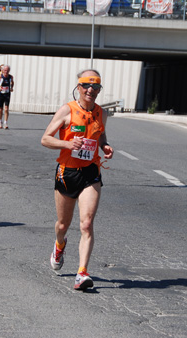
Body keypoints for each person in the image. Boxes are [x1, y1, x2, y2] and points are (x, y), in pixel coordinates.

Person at [40, 69, 114, 290]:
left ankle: (82, 273)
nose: (91, 90)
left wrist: (104, 146)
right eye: (86, 86)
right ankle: (59, 244)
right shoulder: (67, 110)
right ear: (79, 87)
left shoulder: (102, 113)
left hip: (91, 171)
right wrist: (67, 144)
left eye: (96, 87)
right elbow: (45, 139)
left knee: (87, 224)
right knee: (63, 224)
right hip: (67, 172)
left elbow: (100, 133)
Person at [0, 65, 14, 129]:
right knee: (0, 108)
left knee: (6, 108)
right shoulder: (0, 76)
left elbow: (12, 82)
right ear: (2, 70)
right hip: (1, 94)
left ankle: (5, 122)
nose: (6, 72)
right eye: (5, 70)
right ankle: (0, 121)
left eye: (7, 70)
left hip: (7, 93)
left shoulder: (10, 77)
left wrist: (11, 87)